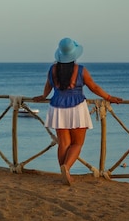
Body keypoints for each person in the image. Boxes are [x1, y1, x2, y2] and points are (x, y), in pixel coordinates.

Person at [33, 37, 123, 185]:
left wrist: (43, 96)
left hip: (57, 107)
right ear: (74, 55)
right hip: (76, 107)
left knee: (64, 143)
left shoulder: (53, 69)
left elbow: (48, 86)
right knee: (77, 144)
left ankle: (64, 173)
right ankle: (66, 168)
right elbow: (94, 87)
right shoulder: (81, 70)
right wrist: (109, 97)